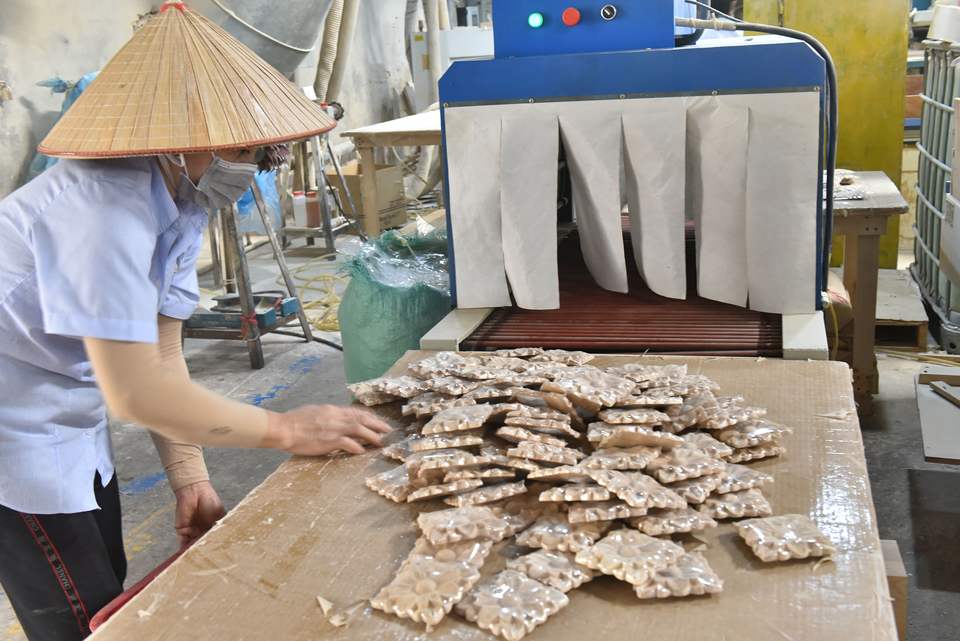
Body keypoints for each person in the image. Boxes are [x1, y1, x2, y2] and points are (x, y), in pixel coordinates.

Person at [0, 4, 390, 640]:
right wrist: (286, 429)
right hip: (13, 428)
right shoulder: (103, 213)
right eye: (238, 149)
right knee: (76, 617)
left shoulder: (180, 202)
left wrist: (190, 478)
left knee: (104, 583)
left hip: (67, 410)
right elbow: (136, 393)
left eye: (255, 153)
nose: (247, 167)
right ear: (179, 141)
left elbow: (160, 357)